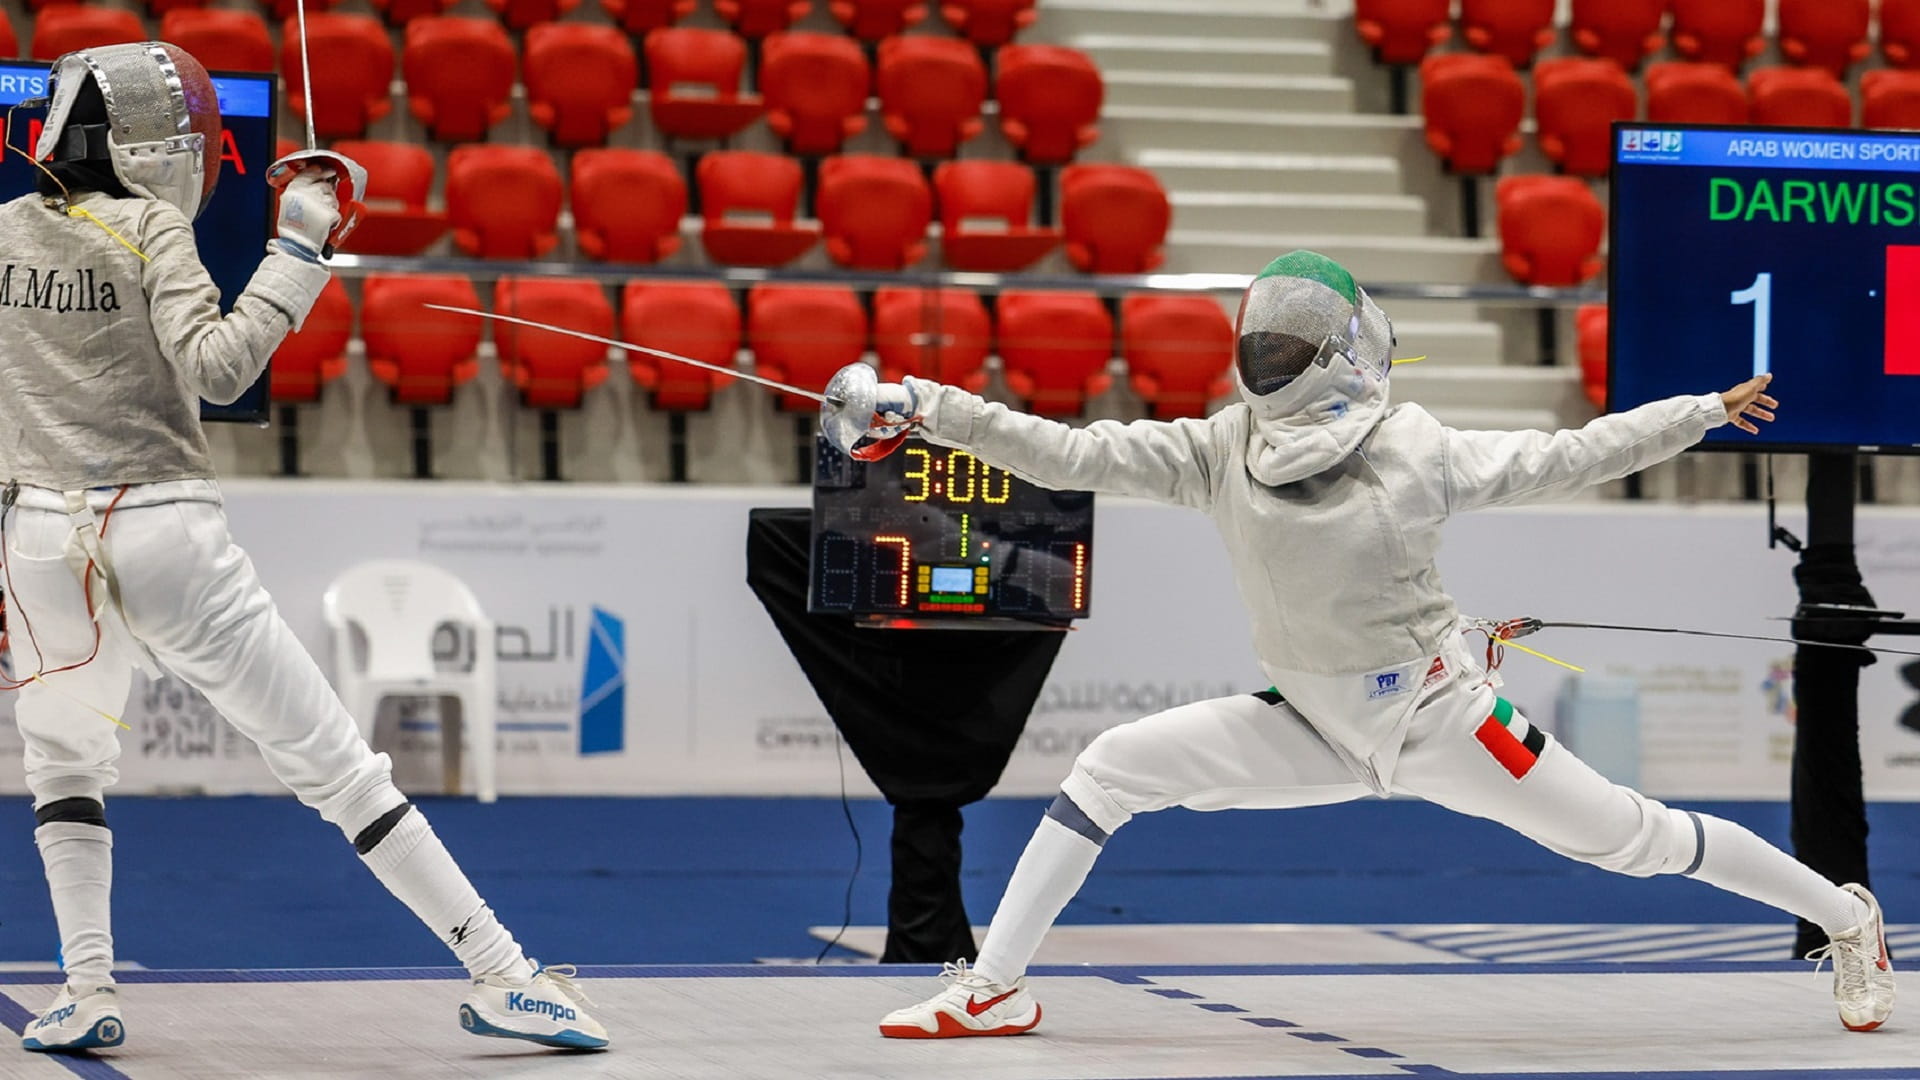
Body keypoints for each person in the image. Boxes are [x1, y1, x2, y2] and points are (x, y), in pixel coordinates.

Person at [848, 251, 1894, 1039]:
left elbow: (1568, 456)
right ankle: (994, 989)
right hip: (1313, 720)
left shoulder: (1413, 447)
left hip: (1443, 720)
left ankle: (1843, 914)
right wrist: (926, 408)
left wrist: (1697, 412)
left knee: (1636, 840)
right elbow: (1067, 450)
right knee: (1112, 769)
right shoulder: (1222, 448)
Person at [0, 43, 606, 1053]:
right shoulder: (152, 226)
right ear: (153, 144)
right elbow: (222, 366)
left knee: (65, 761)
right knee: (337, 770)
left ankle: (88, 990)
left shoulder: (4, 232)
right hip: (160, 530)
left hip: (34, 541)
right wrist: (303, 242)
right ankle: (505, 974)